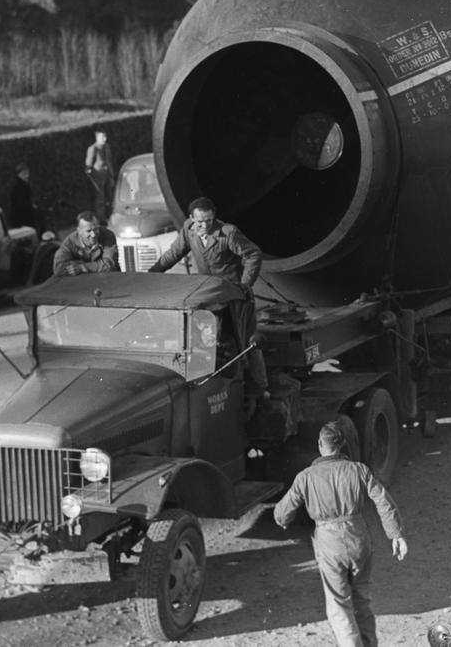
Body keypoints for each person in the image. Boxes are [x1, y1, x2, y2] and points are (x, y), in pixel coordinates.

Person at [274, 422, 408, 647]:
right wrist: (396, 534)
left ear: (320, 445)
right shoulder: (359, 470)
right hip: (359, 537)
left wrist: (283, 520)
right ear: (342, 445)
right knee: (362, 599)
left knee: (339, 604)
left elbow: (282, 512)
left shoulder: (306, 477)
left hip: (329, 543)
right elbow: (383, 501)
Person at [148, 197, 268, 405]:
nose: (205, 226)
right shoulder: (188, 229)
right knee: (207, 340)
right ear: (191, 219)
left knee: (247, 343)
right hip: (208, 295)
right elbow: (174, 253)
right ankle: (215, 387)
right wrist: (152, 273)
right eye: (201, 222)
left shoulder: (228, 233)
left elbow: (253, 254)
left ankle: (259, 389)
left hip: (234, 296)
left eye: (210, 221)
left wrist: (245, 285)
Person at [53, 211, 120, 277]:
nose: (93, 235)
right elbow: (58, 268)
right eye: (88, 231)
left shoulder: (107, 235)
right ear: (79, 231)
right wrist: (96, 265)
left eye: (96, 229)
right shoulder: (69, 243)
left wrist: (83, 267)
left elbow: (110, 264)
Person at [84, 129, 116, 222]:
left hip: (108, 174)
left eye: (105, 137)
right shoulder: (93, 148)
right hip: (98, 176)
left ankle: (112, 215)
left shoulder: (106, 146)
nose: (105, 139)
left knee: (111, 196)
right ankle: (101, 218)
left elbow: (109, 161)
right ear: (97, 138)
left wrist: (112, 174)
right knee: (100, 198)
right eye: (102, 137)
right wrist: (90, 172)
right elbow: (88, 164)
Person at [8, 162, 43, 230]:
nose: (27, 176)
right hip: (23, 221)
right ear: (19, 174)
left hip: (18, 220)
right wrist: (32, 207)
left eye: (27, 173)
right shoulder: (21, 186)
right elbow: (22, 203)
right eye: (24, 174)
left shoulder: (17, 185)